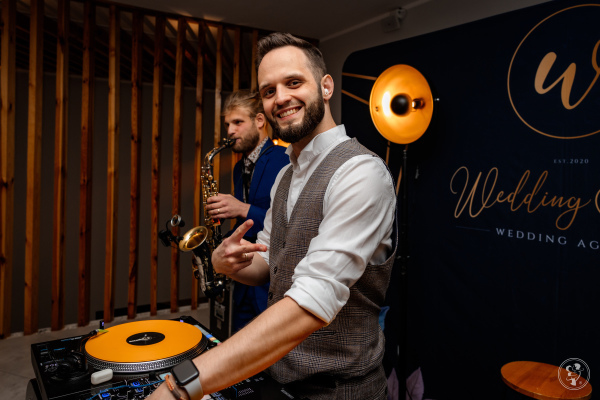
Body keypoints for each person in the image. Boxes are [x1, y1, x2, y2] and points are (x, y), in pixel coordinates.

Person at [149, 32, 396, 400]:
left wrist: (180, 387)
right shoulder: (285, 177)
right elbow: (266, 261)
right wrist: (228, 264)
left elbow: (312, 302)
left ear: (326, 87)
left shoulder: (360, 172)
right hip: (278, 380)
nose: (280, 98)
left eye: (293, 82)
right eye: (269, 91)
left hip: (340, 390)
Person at [205, 89, 289, 333]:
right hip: (244, 279)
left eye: (238, 122)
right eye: (227, 124)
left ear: (260, 121)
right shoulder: (238, 168)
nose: (230, 131)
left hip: (270, 279)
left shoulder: (283, 159)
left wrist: (242, 208)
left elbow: (285, 224)